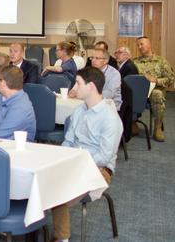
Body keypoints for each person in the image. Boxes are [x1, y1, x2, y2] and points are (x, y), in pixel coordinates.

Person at [51, 67, 123, 242]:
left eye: (78, 83)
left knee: (58, 193)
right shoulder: (79, 110)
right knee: (44, 182)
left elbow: (104, 157)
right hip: (75, 163)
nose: (74, 87)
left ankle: (62, 239)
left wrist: (76, 161)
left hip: (99, 170)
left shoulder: (110, 118)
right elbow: (68, 141)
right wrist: (65, 159)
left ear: (90, 86)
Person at [133, 36, 175, 142]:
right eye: (138, 45)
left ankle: (158, 127)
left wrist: (156, 80)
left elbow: (170, 79)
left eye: (142, 44)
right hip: (139, 92)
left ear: (149, 44)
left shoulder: (161, 61)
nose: (139, 47)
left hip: (155, 90)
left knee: (157, 94)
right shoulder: (135, 62)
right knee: (128, 93)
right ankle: (132, 122)